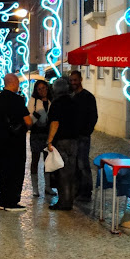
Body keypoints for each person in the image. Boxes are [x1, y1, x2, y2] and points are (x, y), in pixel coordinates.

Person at [0, 73, 32, 212]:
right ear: (13, 83)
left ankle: (4, 200)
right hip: (17, 140)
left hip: (3, 139)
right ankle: (12, 202)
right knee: (16, 170)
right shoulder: (18, 100)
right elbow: (28, 121)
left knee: (4, 169)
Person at [47, 78, 80, 211]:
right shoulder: (74, 101)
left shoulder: (57, 103)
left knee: (63, 173)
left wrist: (49, 140)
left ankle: (64, 202)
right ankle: (70, 199)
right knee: (71, 172)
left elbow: (55, 123)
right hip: (74, 140)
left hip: (62, 141)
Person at [69, 70, 98, 201]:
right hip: (73, 136)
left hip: (83, 136)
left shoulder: (88, 97)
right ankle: (77, 190)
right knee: (74, 164)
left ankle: (86, 191)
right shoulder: (72, 97)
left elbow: (93, 116)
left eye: (75, 80)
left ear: (80, 80)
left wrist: (86, 131)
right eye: (71, 80)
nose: (73, 83)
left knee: (82, 163)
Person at [28, 80, 54, 197]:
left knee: (48, 161)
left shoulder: (51, 101)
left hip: (47, 134)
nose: (42, 90)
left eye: (44, 88)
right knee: (35, 160)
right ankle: (35, 188)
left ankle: (48, 187)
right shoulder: (33, 101)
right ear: (36, 90)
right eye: (39, 89)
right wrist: (37, 115)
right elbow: (29, 120)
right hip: (36, 134)